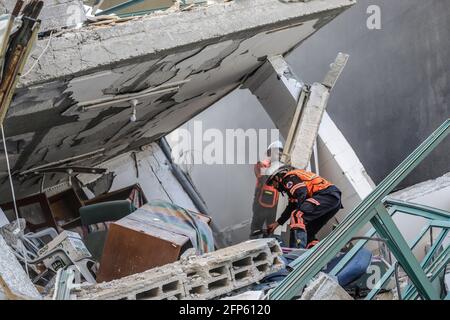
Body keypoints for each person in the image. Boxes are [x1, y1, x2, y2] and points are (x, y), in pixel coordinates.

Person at [265, 163, 343, 249]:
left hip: (326, 195)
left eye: (272, 183)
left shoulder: (288, 178)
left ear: (277, 177)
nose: (273, 187)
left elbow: (302, 192)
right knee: (308, 231)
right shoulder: (292, 184)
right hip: (332, 199)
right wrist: (278, 223)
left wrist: (299, 212)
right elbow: (292, 206)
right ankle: (313, 253)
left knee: (297, 215)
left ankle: (296, 250)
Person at [249, 141, 283, 238]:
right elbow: (264, 176)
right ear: (270, 152)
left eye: (281, 151)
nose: (279, 154)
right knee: (255, 231)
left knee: (272, 232)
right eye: (277, 151)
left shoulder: (281, 168)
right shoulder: (262, 164)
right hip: (260, 205)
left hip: (274, 207)